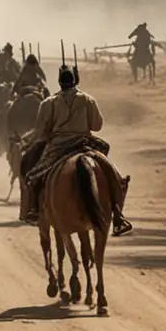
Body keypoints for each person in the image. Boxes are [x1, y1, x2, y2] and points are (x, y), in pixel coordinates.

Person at [19, 66, 132, 236]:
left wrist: (29, 139)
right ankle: (117, 213)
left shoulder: (48, 103)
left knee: (33, 177)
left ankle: (34, 210)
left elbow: (41, 131)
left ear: (59, 82)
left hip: (58, 147)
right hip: (85, 143)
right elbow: (97, 126)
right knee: (113, 173)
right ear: (75, 81)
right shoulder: (88, 100)